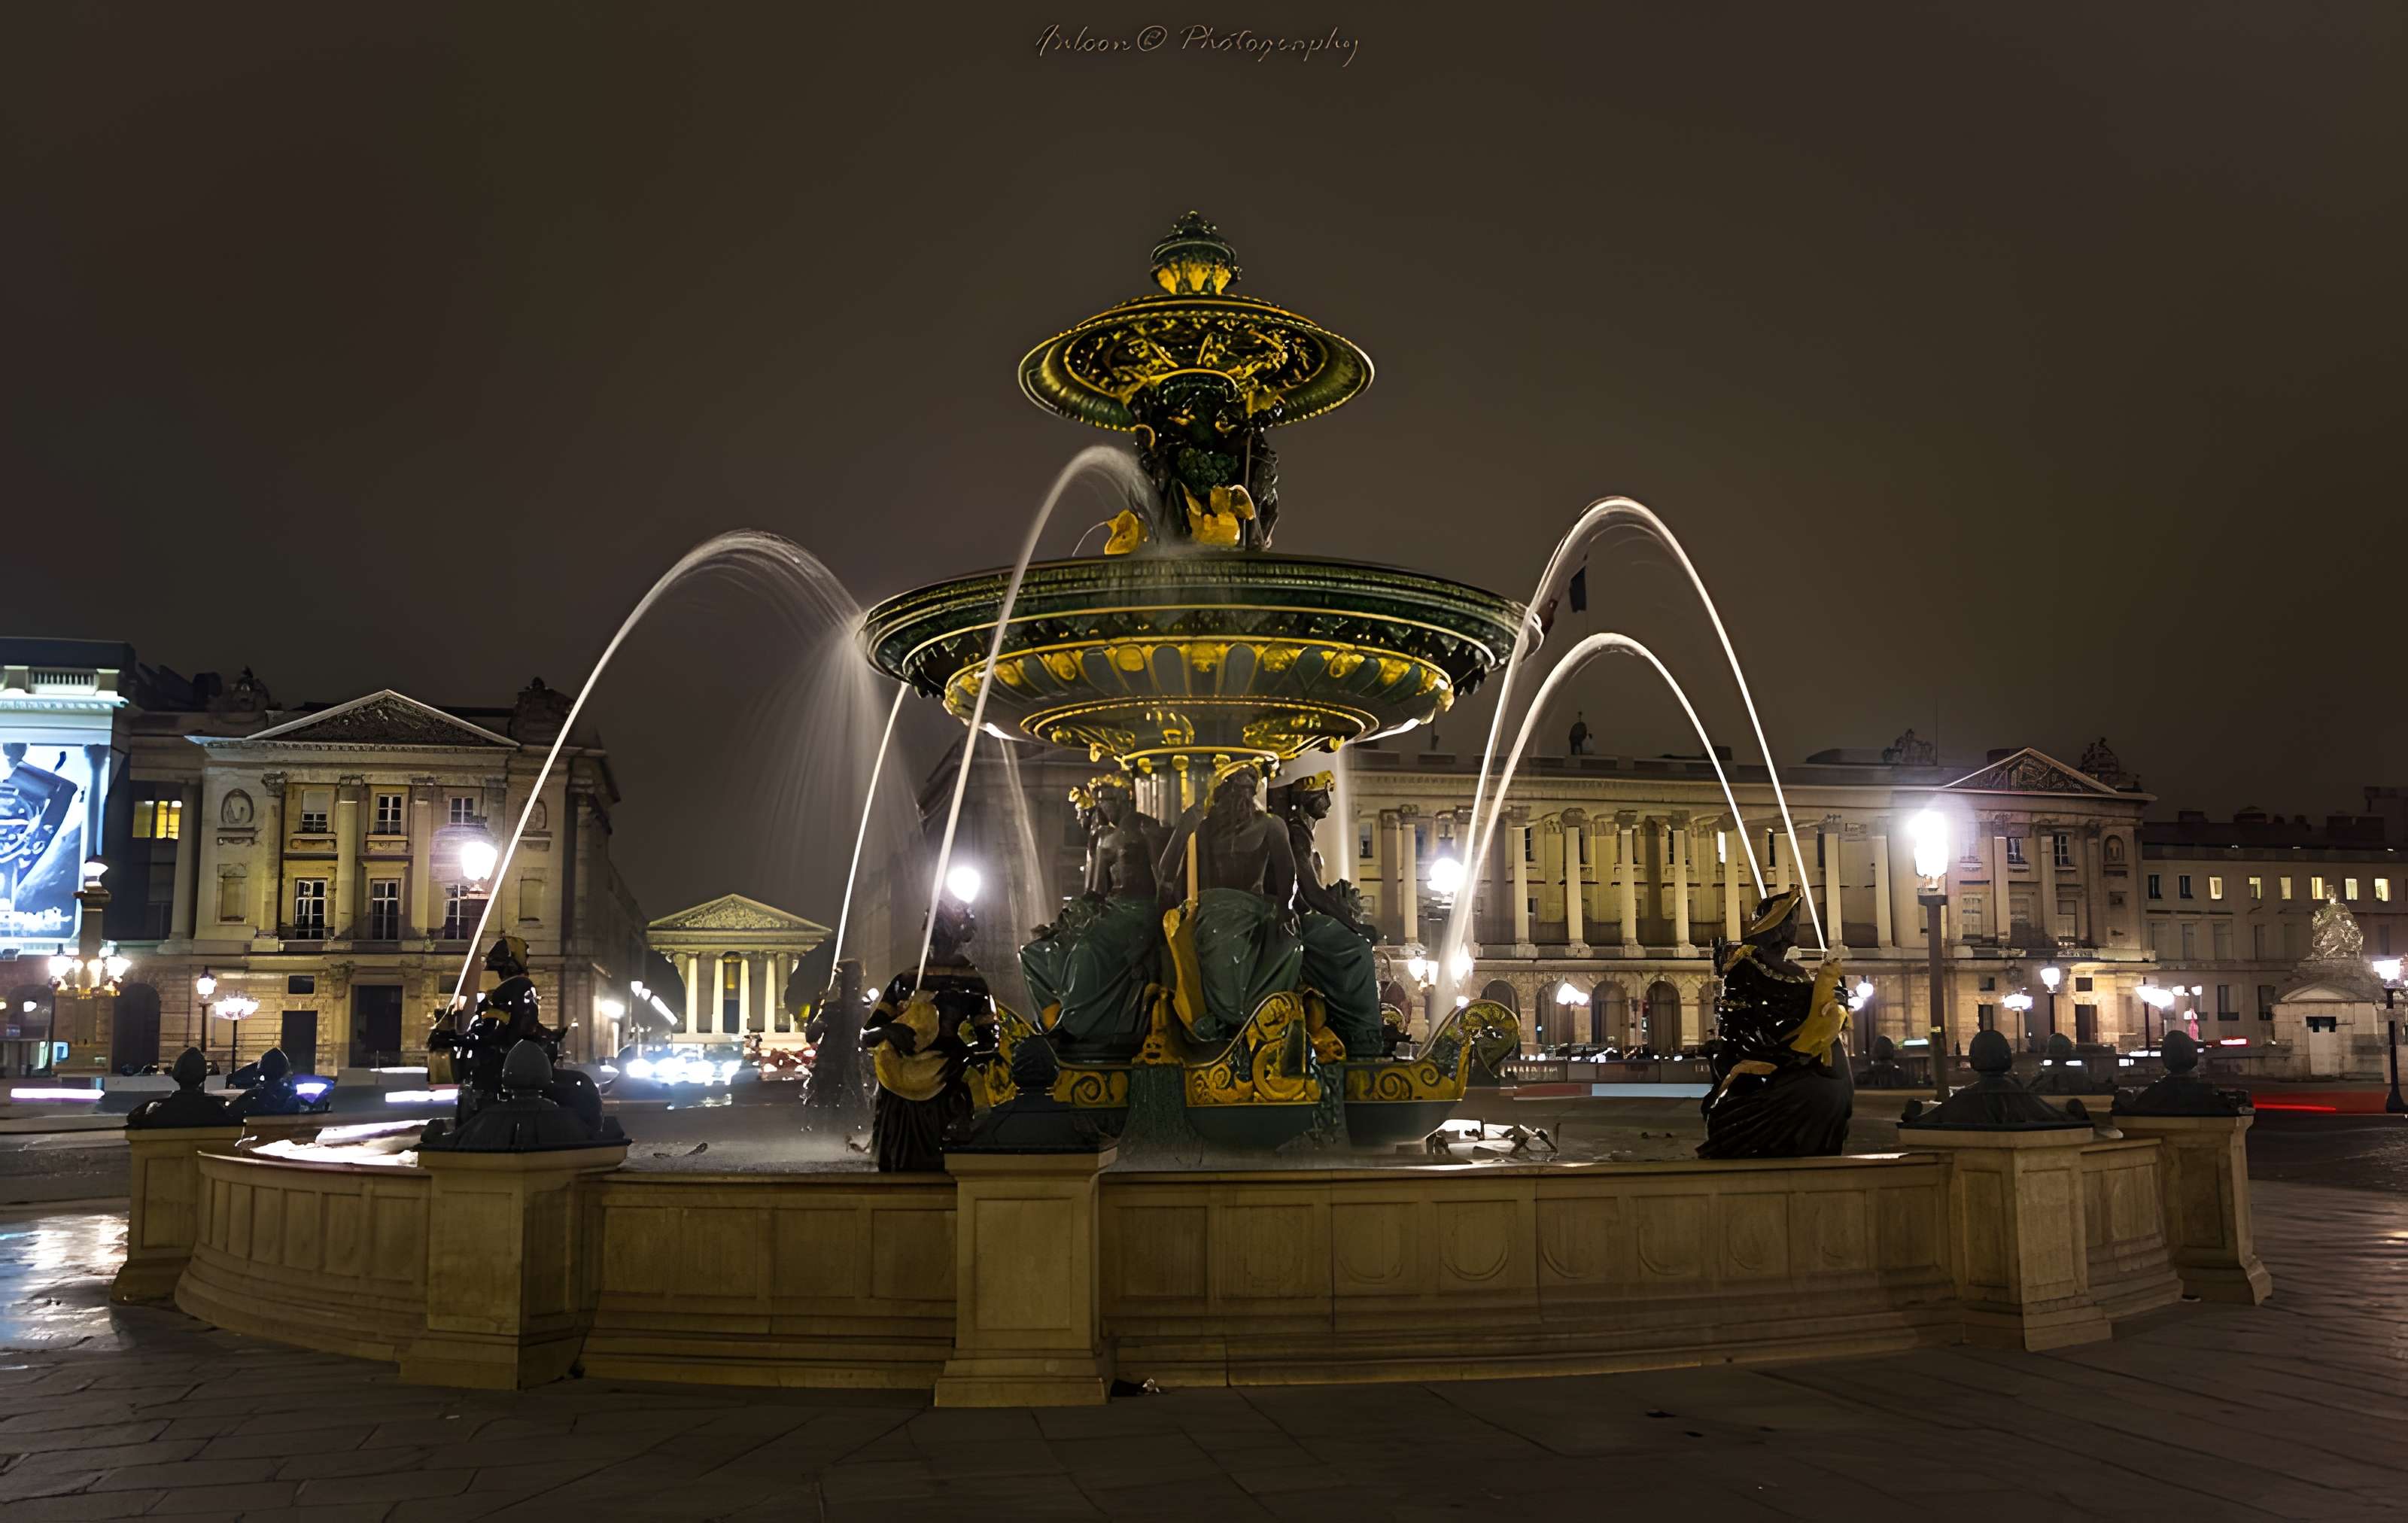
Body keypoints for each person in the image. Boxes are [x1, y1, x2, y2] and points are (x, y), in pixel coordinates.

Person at [1698, 888, 1853, 1158]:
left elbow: (1815, 1005)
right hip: (1769, 1052)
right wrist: (1775, 1052)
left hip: (1798, 1052)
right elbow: (1734, 1023)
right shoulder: (1746, 963)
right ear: (1777, 924)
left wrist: (1835, 996)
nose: (1795, 928)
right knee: (1818, 1092)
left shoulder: (1795, 970)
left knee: (1833, 1087)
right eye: (1791, 921)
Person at [1154, 763, 1303, 1043]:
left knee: (1293, 946)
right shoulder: (1202, 827)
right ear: (1222, 790)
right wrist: (1184, 826)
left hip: (1258, 914)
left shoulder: (1271, 825)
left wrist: (1287, 909)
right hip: (1214, 914)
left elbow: (1288, 877)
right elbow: (1165, 872)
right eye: (1236, 786)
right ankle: (1239, 1016)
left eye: (1247, 787)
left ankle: (1264, 1016)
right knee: (1226, 949)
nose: (1241, 795)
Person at [862, 896, 993, 1171]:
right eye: (934, 929)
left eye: (941, 929)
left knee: (928, 1165)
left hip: (943, 1084)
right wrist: (889, 1029)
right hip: (905, 1083)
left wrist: (966, 1063)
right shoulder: (908, 979)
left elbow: (989, 1042)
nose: (935, 936)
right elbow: (866, 1034)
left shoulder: (971, 981)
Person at [1270, 771, 1383, 1055]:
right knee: (1356, 949)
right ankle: (1361, 1034)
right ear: (1308, 798)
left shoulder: (1300, 831)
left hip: (1295, 919)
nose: (1329, 801)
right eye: (1323, 794)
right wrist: (1355, 925)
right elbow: (1310, 892)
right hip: (1291, 923)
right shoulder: (1296, 834)